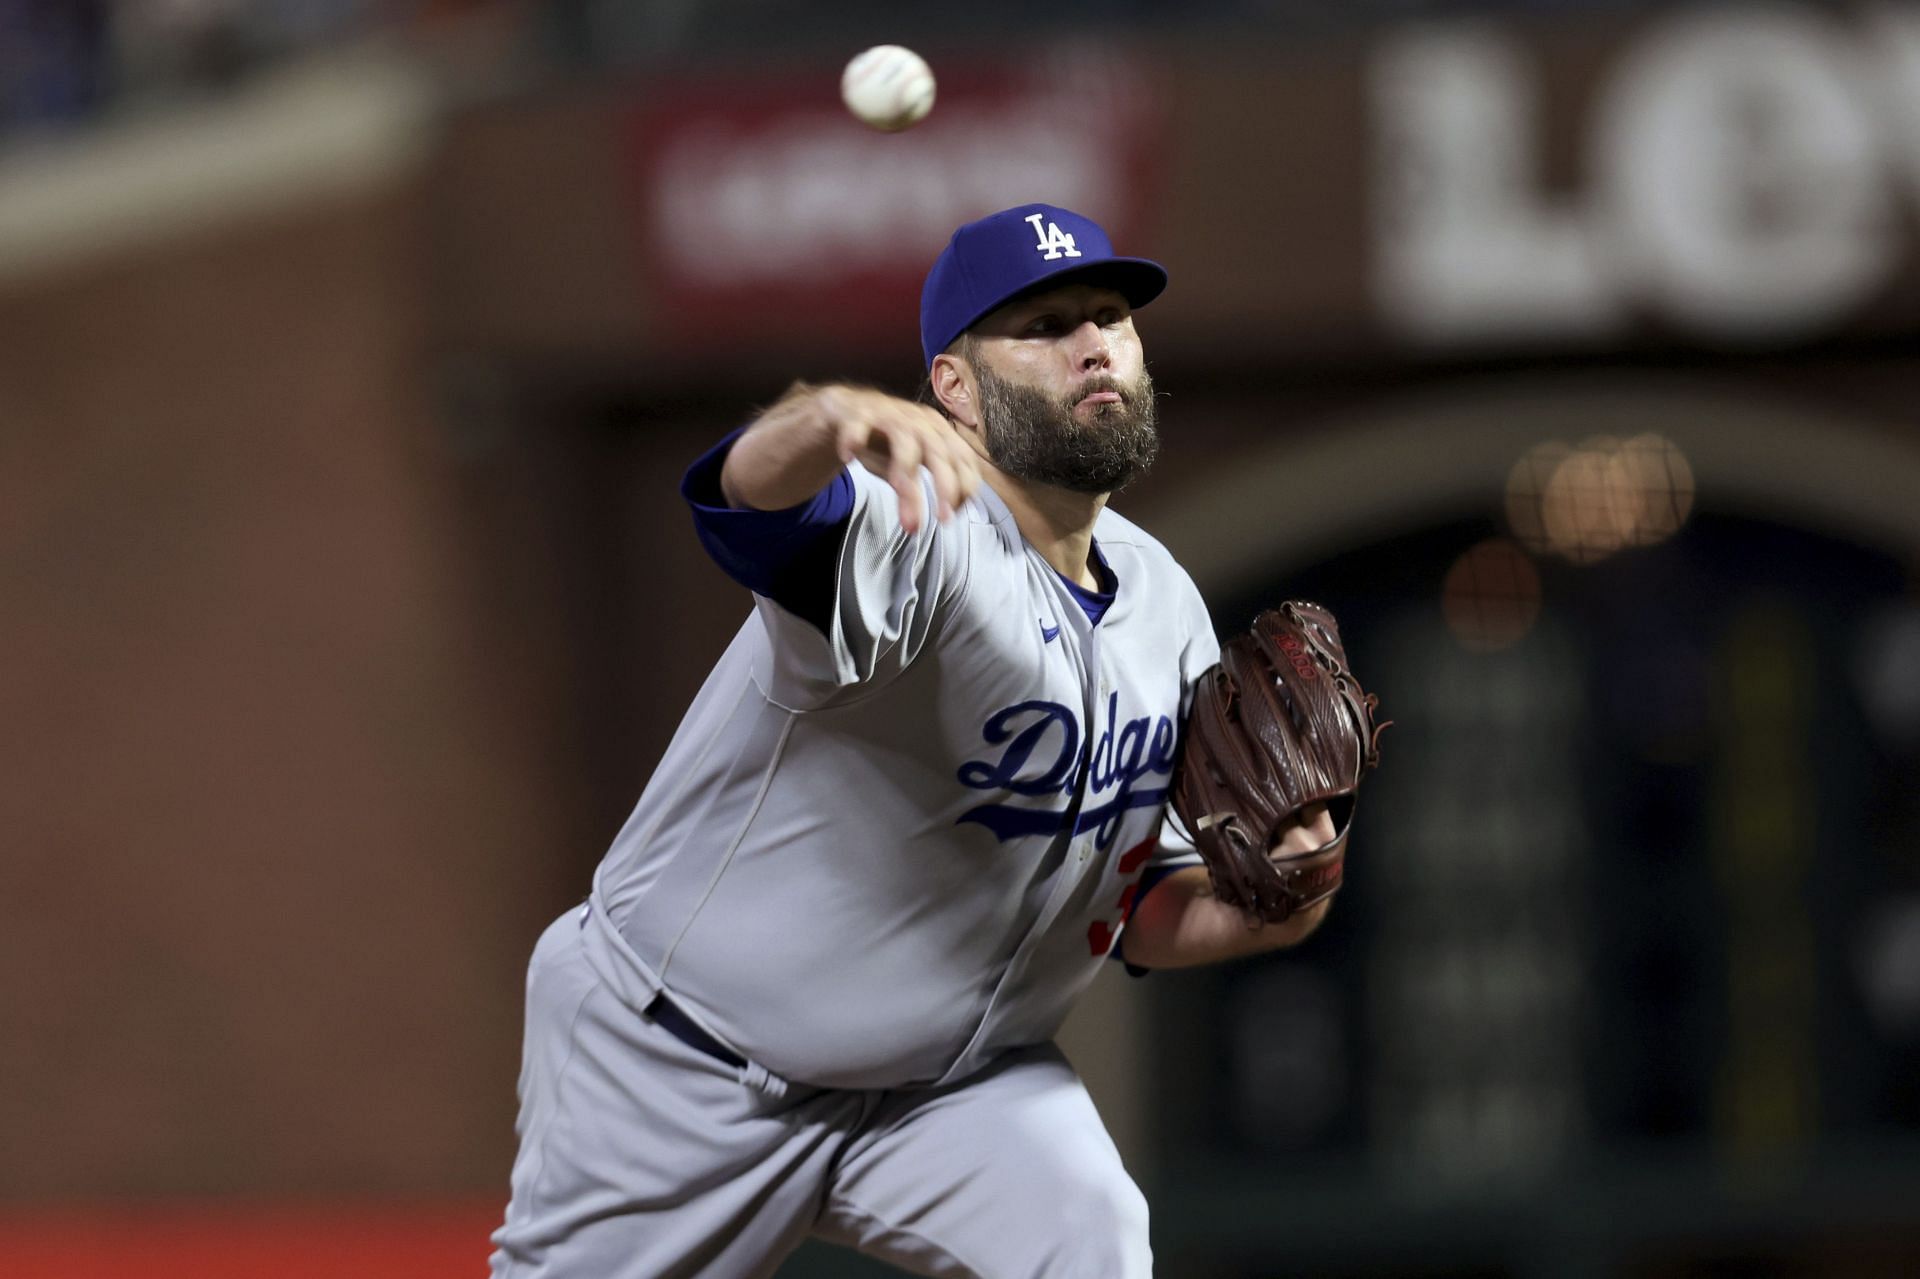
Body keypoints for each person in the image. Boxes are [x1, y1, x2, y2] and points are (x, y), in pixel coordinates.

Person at [489, 203, 1338, 1279]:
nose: (1091, 344)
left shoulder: (1164, 602)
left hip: (949, 1089)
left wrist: (1270, 902)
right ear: (954, 386)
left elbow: (1128, 911)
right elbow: (751, 504)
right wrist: (827, 414)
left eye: (1110, 317)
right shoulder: (911, 522)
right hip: (684, 1060)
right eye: (1041, 325)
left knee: (1090, 1233)